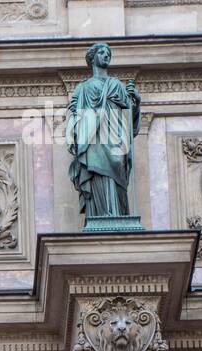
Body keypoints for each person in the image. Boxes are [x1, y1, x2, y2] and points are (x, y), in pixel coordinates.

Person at [66, 42, 140, 221]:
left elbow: (128, 117)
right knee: (97, 174)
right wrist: (75, 128)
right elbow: (72, 112)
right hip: (93, 139)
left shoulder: (117, 85)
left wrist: (135, 102)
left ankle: (116, 215)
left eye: (108, 53)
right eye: (102, 52)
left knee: (116, 174)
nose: (106, 55)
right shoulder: (82, 88)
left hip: (115, 138)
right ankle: (100, 217)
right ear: (93, 58)